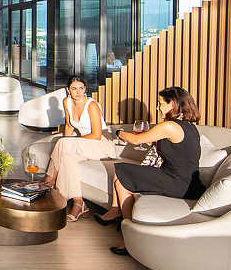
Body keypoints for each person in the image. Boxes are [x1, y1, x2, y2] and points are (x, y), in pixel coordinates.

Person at [95, 86, 205, 256]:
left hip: (177, 182)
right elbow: (175, 150)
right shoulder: (190, 127)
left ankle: (128, 237)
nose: (157, 107)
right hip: (189, 183)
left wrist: (119, 132)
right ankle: (120, 217)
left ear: (173, 104)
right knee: (121, 174)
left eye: (160, 103)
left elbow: (135, 140)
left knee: (121, 173)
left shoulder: (170, 126)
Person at [41, 77, 115, 222]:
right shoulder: (66, 102)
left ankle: (48, 182)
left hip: (101, 144)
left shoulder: (92, 105)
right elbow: (69, 126)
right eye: (74, 88)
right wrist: (67, 142)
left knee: (64, 143)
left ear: (85, 89)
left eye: (81, 88)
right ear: (69, 90)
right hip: (85, 145)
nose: (78, 92)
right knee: (67, 157)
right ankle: (79, 203)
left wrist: (68, 142)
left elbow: (97, 135)